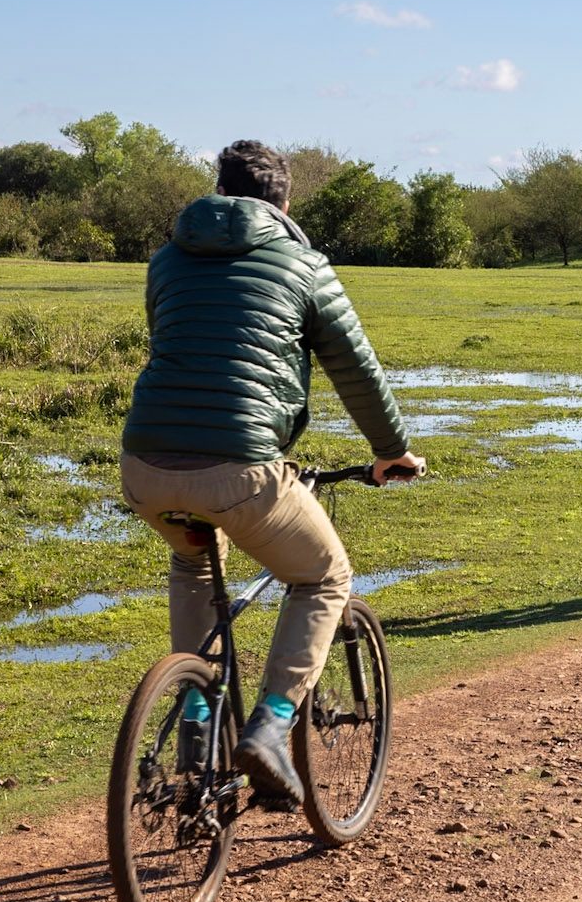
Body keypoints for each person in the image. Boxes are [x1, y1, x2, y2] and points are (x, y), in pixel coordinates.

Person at [120, 140, 424, 804]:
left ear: (219, 191)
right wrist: (391, 450)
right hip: (242, 470)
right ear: (284, 203)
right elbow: (357, 370)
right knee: (323, 576)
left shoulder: (167, 260)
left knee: (196, 561)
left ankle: (197, 722)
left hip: (144, 464)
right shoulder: (303, 263)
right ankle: (270, 727)